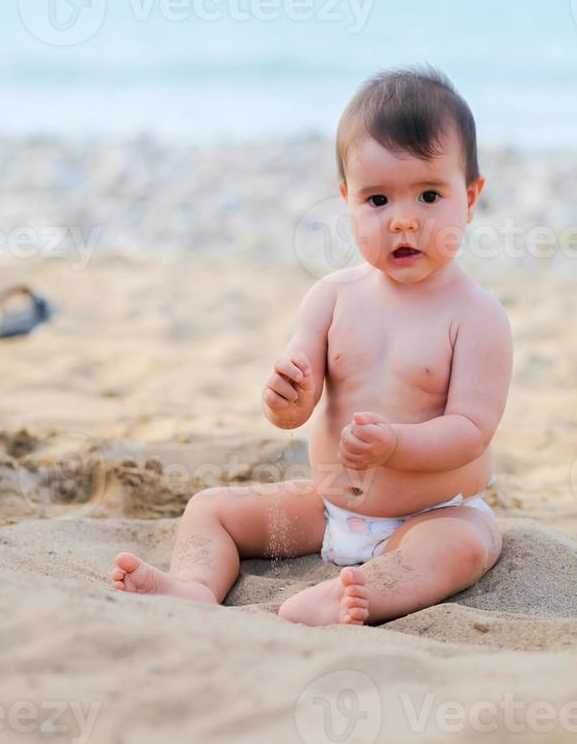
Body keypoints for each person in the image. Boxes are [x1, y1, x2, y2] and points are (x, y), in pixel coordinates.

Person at [110, 67, 513, 627]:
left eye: (428, 194)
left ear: (470, 198)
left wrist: (394, 446)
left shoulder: (477, 316)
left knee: (463, 547)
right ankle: (197, 586)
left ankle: (359, 593)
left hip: (431, 515)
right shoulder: (331, 298)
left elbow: (471, 432)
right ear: (346, 200)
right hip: (327, 511)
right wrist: (284, 398)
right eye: (376, 200)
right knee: (211, 510)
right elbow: (296, 407)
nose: (402, 221)